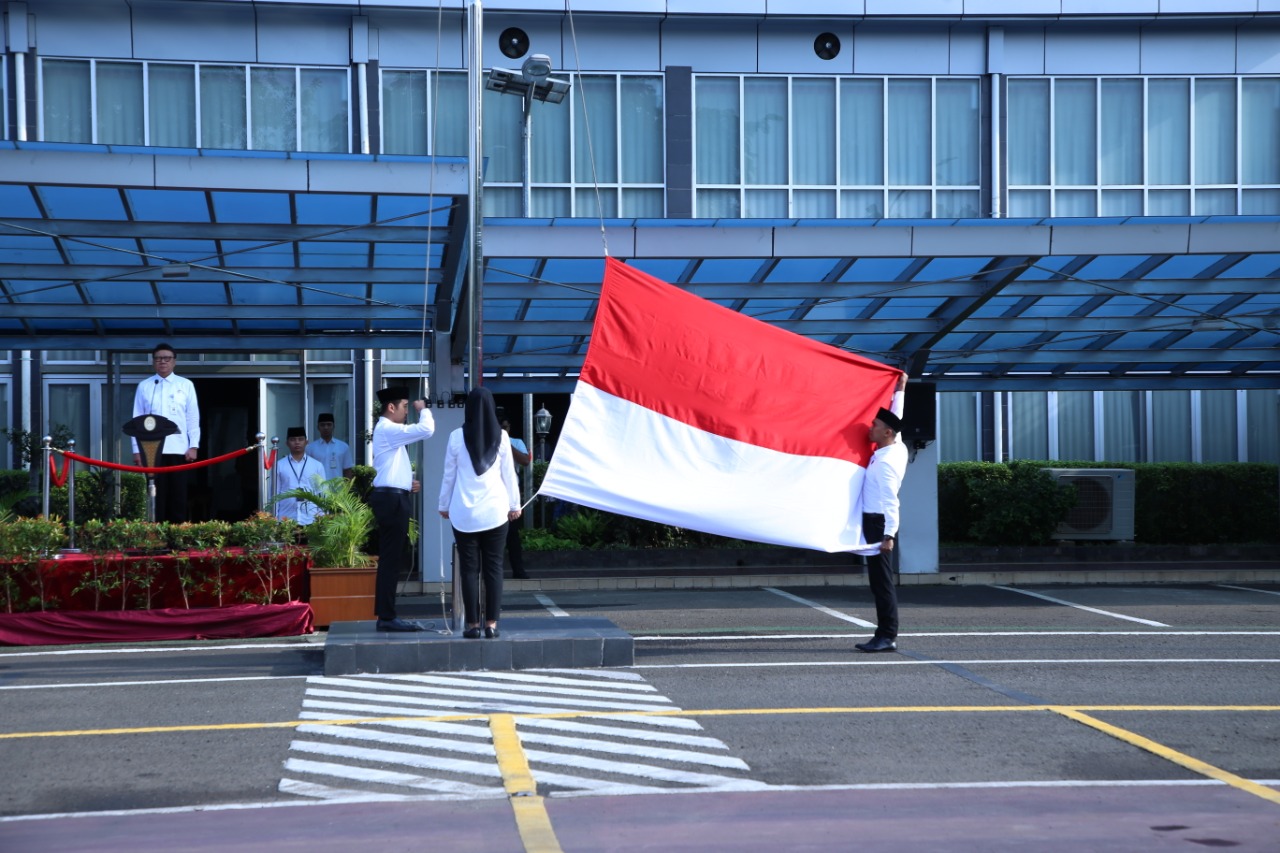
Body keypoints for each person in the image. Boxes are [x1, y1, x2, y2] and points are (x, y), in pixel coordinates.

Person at [439, 388, 522, 639]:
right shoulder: (503, 437)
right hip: (496, 512)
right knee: (494, 568)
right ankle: (492, 625)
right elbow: (509, 475)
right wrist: (514, 505)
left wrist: (443, 505)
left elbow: (449, 476)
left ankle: (473, 625)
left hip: (463, 513)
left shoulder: (456, 437)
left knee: (468, 569)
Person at [369, 386, 435, 632]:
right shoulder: (388, 428)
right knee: (391, 560)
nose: (408, 411)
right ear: (391, 407)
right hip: (391, 500)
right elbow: (427, 430)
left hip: (393, 496)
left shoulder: (387, 431)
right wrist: (424, 410)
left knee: (392, 559)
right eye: (405, 407)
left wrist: (407, 483)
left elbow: (392, 466)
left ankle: (387, 615)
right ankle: (386, 617)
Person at [855, 373, 909, 654]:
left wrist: (889, 535)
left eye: (875, 425)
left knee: (882, 583)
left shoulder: (888, 463)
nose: (870, 427)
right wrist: (900, 390)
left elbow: (892, 502)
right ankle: (885, 633)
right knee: (879, 582)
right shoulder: (895, 444)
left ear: (886, 432)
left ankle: (887, 635)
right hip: (869, 520)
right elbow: (895, 417)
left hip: (878, 524)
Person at [131, 342, 200, 523]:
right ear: (153, 362)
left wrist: (193, 445)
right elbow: (136, 420)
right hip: (151, 449)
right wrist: (136, 449)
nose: (162, 362)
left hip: (179, 448)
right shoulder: (145, 386)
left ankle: (177, 538)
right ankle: (156, 538)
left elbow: (193, 418)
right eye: (158, 358)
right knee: (156, 496)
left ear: (174, 361)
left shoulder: (185, 385)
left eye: (167, 358)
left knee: (178, 495)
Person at [274, 427, 324, 526]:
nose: (297, 442)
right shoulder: (279, 465)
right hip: (286, 519)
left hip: (311, 518)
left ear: (306, 442)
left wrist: (322, 517)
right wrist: (275, 519)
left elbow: (322, 493)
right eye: (293, 440)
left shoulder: (317, 465)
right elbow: (274, 494)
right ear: (287, 443)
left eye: (300, 439)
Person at [501, 418, 531, 580]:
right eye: (501, 427)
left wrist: (505, 442)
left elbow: (526, 461)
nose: (503, 430)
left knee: (513, 535)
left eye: (505, 427)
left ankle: (518, 570)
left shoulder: (515, 442)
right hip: (493, 493)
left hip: (511, 493)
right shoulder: (489, 439)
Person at [306, 413, 354, 480]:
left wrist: (347, 488)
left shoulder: (343, 447)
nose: (326, 427)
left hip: (338, 488)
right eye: (322, 425)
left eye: (329, 424)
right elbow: (307, 470)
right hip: (318, 488)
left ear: (333, 426)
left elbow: (347, 470)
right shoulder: (310, 448)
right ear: (318, 427)